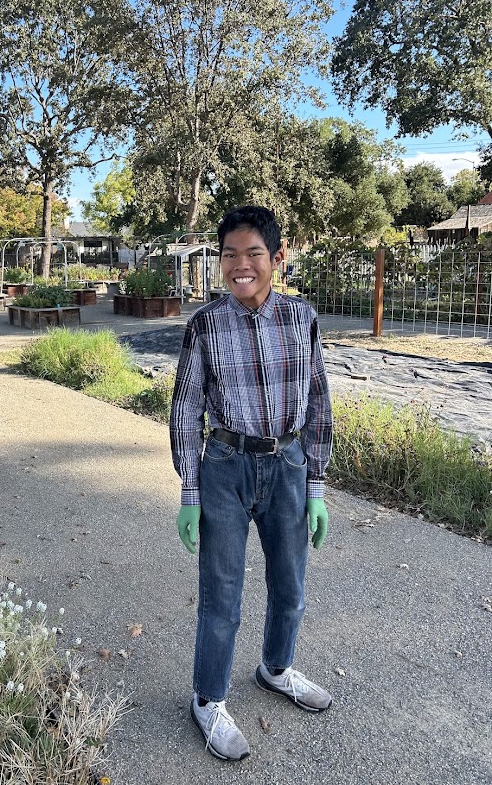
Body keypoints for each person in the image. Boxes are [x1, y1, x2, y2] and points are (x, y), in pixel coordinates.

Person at [169, 205, 333, 762]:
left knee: (290, 586)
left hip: (287, 465)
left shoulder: (302, 318)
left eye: (253, 254)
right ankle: (208, 697)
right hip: (224, 468)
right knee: (223, 598)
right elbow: (186, 409)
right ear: (220, 261)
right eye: (230, 255)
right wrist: (190, 491)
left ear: (277, 258)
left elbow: (316, 402)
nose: (241, 265)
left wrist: (317, 485)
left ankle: (276, 667)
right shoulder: (205, 326)